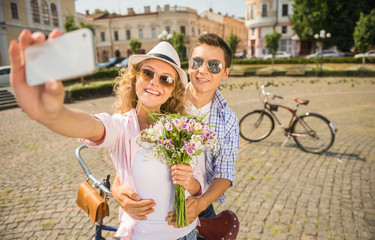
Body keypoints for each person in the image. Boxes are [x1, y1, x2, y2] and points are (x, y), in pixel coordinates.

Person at [9, 29, 203, 240]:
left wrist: (190, 181)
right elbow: (92, 127)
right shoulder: (122, 126)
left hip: (187, 233)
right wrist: (54, 115)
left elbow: (198, 183)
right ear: (135, 77)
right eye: (148, 73)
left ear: (173, 90)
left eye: (166, 79)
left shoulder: (183, 127)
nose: (155, 82)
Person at [112, 33, 240, 234]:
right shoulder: (164, 95)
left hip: (201, 203)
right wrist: (117, 187)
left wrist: (200, 204)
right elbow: (130, 142)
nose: (203, 70)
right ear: (189, 65)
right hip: (155, 207)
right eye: (197, 62)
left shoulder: (228, 120)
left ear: (225, 73)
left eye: (214, 66)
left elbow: (224, 173)